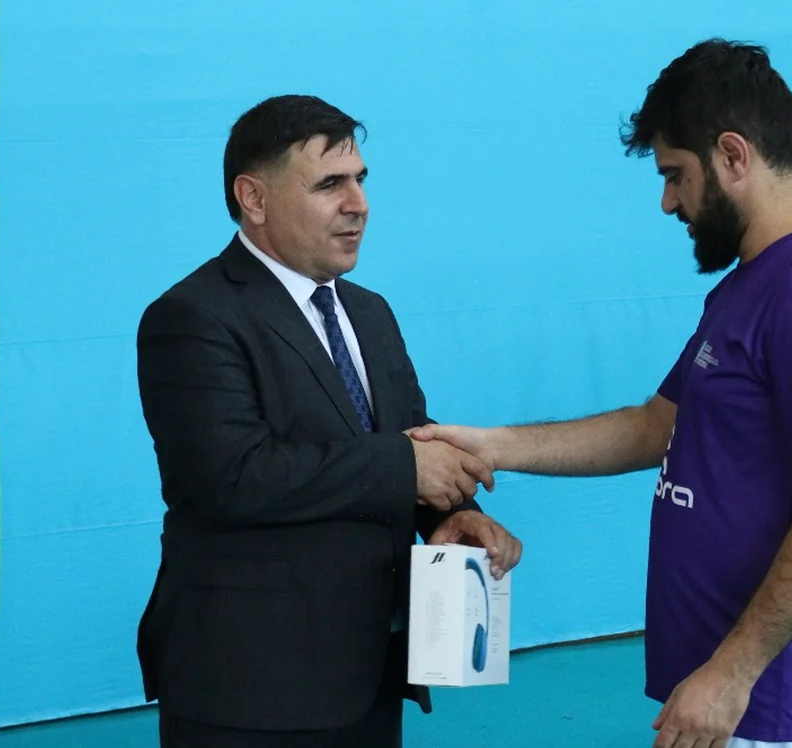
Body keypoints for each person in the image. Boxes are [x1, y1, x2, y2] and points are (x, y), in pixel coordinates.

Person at [411, 39, 792, 748]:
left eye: (675, 175)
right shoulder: (752, 283)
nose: (669, 202)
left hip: (780, 702)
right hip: (732, 687)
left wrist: (731, 673)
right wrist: (491, 446)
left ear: (733, 156)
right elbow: (655, 425)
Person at [133, 94, 523, 748]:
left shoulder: (371, 312)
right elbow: (233, 477)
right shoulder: (191, 318)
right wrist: (408, 468)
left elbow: (411, 439)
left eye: (361, 180)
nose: (358, 203)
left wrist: (452, 515)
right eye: (329, 184)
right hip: (249, 686)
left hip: (371, 673)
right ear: (253, 199)